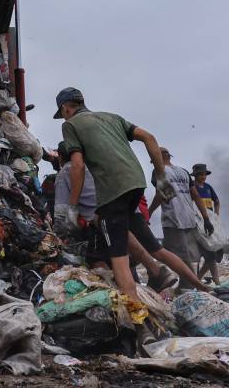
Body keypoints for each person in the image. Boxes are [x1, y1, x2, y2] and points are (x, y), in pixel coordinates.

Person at [54, 87, 209, 304]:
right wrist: (161, 178)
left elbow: (77, 166)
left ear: (66, 108)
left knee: (119, 260)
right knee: (156, 248)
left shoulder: (70, 125)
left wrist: (72, 208)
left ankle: (137, 320)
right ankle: (202, 286)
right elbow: (149, 137)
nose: (64, 116)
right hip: (136, 184)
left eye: (63, 112)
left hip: (112, 192)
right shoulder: (112, 117)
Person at [55, 159, 178, 291]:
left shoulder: (67, 172)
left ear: (61, 158)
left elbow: (61, 213)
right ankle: (155, 274)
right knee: (129, 254)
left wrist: (62, 231)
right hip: (127, 213)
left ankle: (116, 293)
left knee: (97, 258)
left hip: (103, 218)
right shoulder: (97, 166)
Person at [148, 149, 213, 287]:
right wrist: (206, 218)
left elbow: (162, 194)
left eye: (153, 159)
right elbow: (195, 195)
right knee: (176, 252)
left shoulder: (159, 171)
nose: (153, 163)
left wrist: (148, 212)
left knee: (175, 254)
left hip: (173, 218)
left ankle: (189, 286)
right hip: (188, 218)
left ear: (158, 157)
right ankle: (183, 285)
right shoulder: (183, 172)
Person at [191, 163, 223, 285]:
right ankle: (216, 283)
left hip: (209, 223)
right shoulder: (192, 187)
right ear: (195, 175)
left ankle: (197, 279)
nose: (203, 176)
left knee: (211, 255)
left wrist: (216, 216)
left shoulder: (208, 187)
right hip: (197, 224)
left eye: (204, 174)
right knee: (209, 255)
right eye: (201, 174)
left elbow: (217, 201)